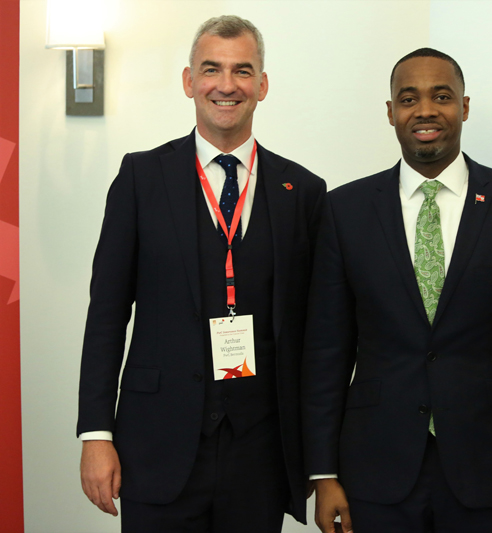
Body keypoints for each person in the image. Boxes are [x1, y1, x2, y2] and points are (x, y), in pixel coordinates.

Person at [302, 48, 492, 533]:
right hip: (374, 470)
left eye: (442, 96)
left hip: (491, 470)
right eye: (409, 99)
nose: (425, 110)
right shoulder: (345, 210)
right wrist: (323, 473)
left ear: (464, 107)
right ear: (391, 112)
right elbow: (327, 351)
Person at [77, 15, 325, 532]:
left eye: (242, 71)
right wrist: (96, 434)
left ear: (262, 85)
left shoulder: (303, 191)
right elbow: (106, 315)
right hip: (156, 446)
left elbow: (318, 334)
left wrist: (318, 455)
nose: (226, 85)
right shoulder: (141, 177)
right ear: (190, 81)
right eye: (212, 69)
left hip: (261, 455)